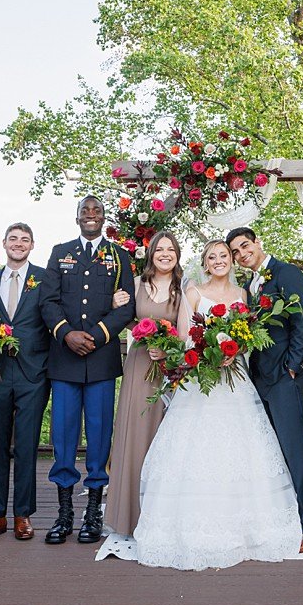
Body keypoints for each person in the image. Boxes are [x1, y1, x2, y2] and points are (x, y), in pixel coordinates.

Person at [130, 241, 302, 569]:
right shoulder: (194, 294)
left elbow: (249, 336)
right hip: (201, 380)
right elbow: (183, 339)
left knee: (240, 451)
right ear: (206, 264)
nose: (219, 260)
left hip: (235, 381)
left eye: (224, 255)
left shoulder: (243, 295)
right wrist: (208, 348)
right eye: (213, 257)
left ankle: (248, 525)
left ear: (231, 261)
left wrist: (234, 351)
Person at [43, 196, 136, 544]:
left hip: (100, 358)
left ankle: (93, 512)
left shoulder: (119, 256)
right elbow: (48, 301)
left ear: (104, 217)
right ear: (77, 217)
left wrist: (95, 336)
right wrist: (67, 334)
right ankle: (64, 513)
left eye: (96, 211)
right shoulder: (60, 252)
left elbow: (127, 306)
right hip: (65, 359)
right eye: (86, 211)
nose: (91, 216)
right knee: (64, 436)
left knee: (99, 437)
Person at [227, 225, 303, 552]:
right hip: (258, 379)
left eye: (245, 247)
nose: (242, 255)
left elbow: (301, 326)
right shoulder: (247, 285)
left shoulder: (287, 273)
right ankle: (287, 518)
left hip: (284, 378)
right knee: (273, 452)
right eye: (236, 252)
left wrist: (293, 368)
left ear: (257, 242)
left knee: (296, 451)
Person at [0, 223, 54, 542]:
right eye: (13, 239)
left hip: (34, 373)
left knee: (26, 446)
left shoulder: (45, 279)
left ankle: (23, 514)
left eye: (24, 240)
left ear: (32, 245)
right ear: (3, 243)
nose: (18, 244)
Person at [104, 230, 184, 539]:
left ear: (177, 255)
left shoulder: (183, 287)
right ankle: (130, 516)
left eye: (171, 249)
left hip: (170, 370)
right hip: (139, 366)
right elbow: (122, 317)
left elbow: (188, 331)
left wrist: (169, 348)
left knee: (168, 437)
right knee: (136, 434)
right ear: (150, 255)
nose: (165, 253)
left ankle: (164, 517)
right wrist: (116, 301)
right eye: (159, 249)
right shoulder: (136, 285)